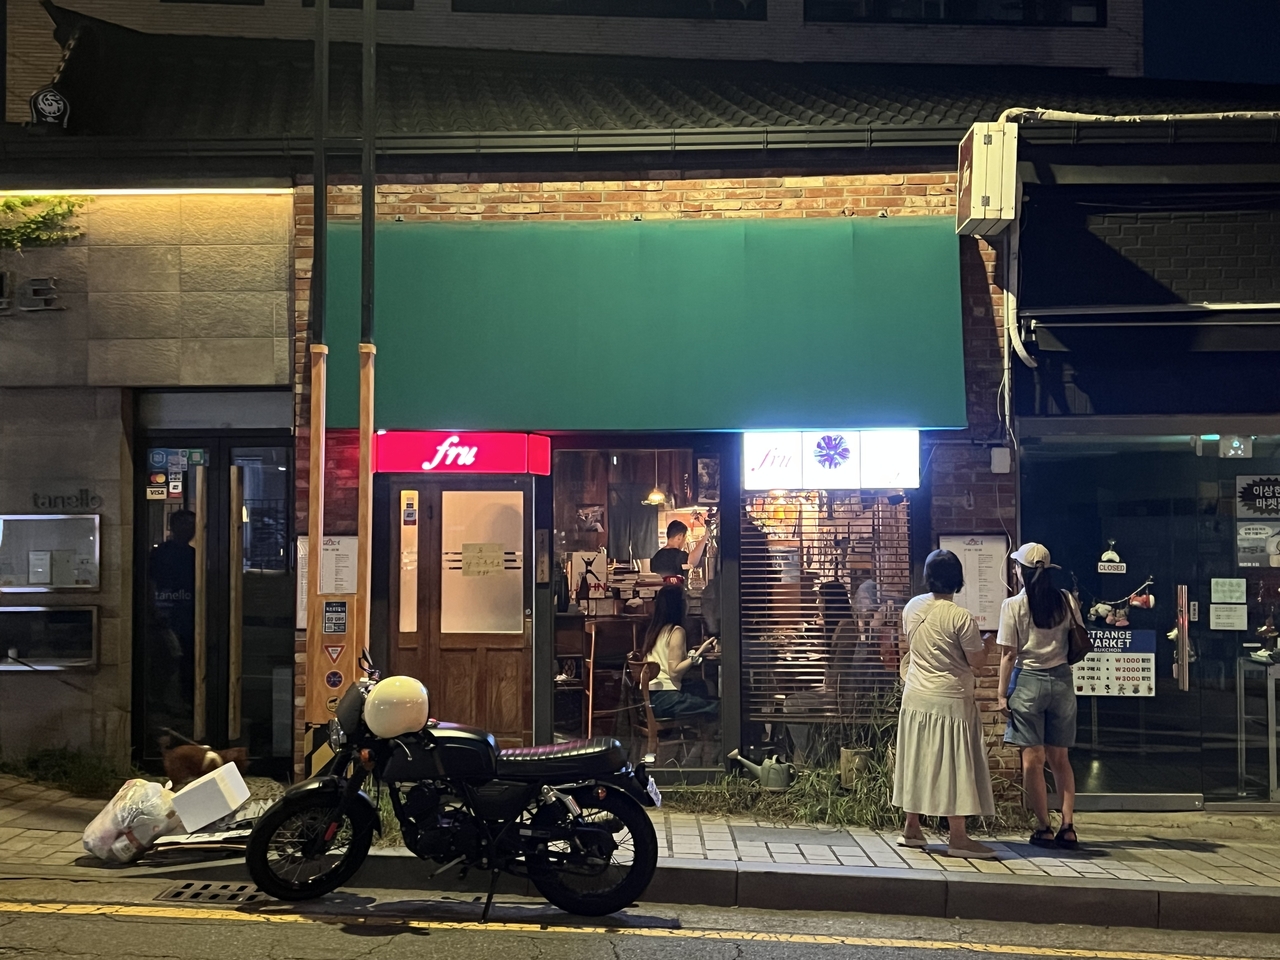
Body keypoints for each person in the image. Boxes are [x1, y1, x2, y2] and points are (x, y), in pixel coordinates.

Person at [893, 549, 998, 859]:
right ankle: (958, 836)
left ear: (928, 577)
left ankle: (912, 827)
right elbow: (977, 662)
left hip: (915, 698)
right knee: (956, 766)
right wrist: (990, 641)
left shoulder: (912, 607)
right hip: (950, 701)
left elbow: (911, 645)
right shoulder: (960, 617)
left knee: (916, 760)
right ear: (958, 579)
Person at [997, 542, 1080, 850]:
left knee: (1033, 761)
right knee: (1061, 759)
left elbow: (1008, 655)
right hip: (1061, 682)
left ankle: (1044, 827)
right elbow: (1077, 636)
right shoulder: (1066, 600)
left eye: (1017, 566)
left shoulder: (1014, 606)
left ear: (1021, 571)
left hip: (1028, 681)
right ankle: (1068, 826)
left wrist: (1001, 694)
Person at [640, 584, 719, 724]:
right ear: (678, 605)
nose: (688, 603)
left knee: (703, 688)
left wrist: (694, 653)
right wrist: (700, 653)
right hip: (665, 699)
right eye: (685, 600)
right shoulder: (676, 631)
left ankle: (702, 744)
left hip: (650, 698)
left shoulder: (655, 630)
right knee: (720, 707)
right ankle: (707, 742)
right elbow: (674, 671)